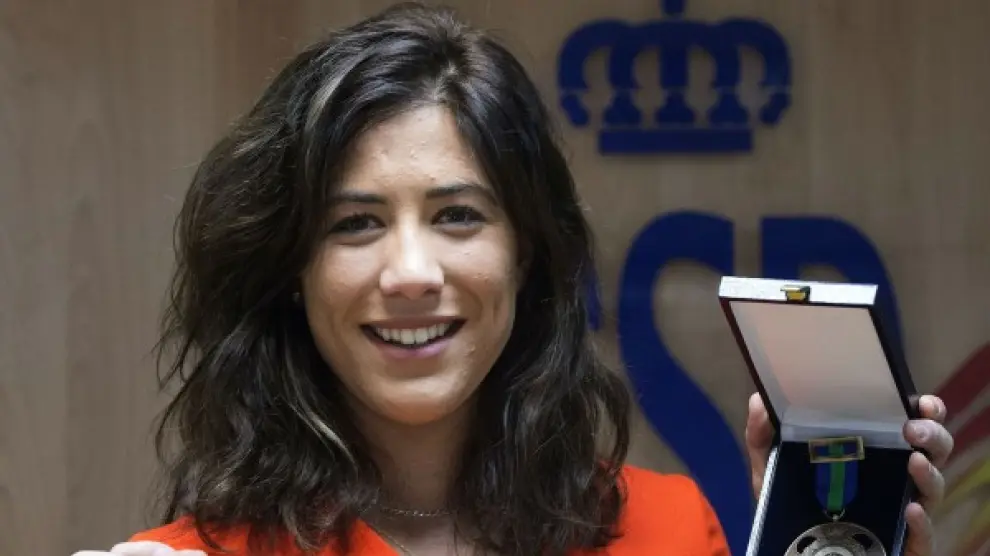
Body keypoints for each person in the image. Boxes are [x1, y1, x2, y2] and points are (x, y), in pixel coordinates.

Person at [72, 3, 954, 556]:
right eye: (355, 224)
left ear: (525, 251)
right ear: (292, 271)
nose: (412, 274)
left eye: (458, 215)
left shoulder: (666, 531)